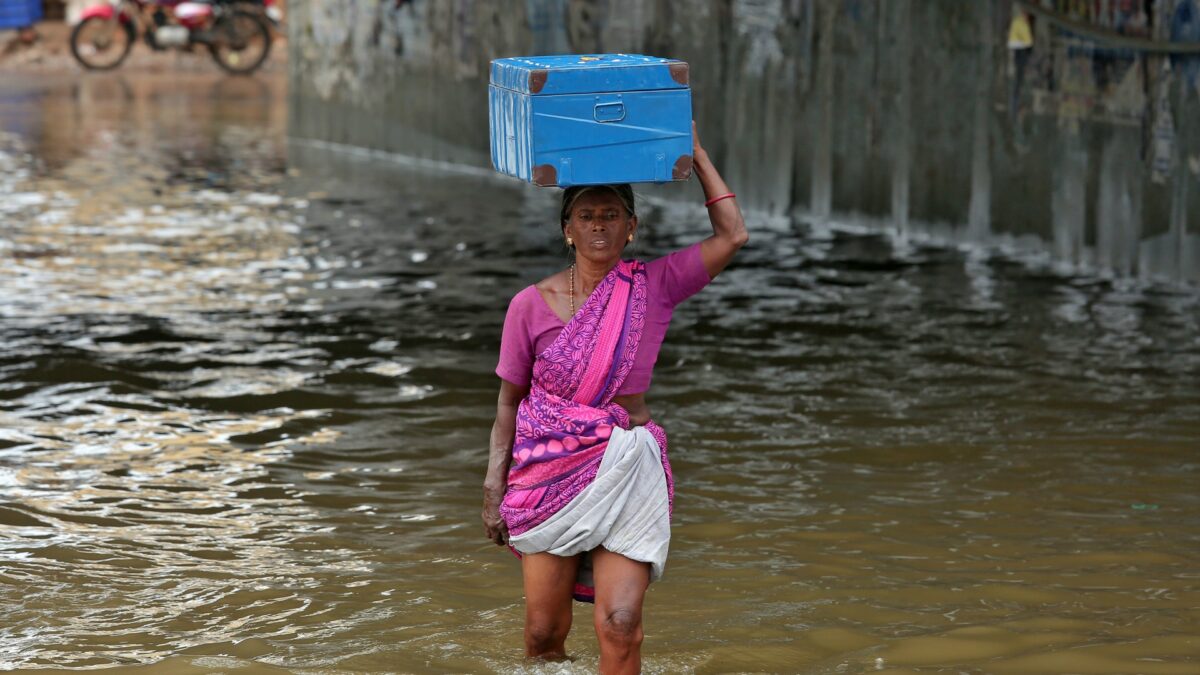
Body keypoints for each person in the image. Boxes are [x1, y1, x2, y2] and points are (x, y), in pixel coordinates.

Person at [482, 123, 748, 673]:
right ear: (567, 230)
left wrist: (696, 154)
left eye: (611, 215)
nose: (599, 225)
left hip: (626, 469)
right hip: (547, 474)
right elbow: (509, 403)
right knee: (542, 633)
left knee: (621, 625)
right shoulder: (528, 306)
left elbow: (732, 237)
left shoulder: (656, 285)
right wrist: (493, 486)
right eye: (586, 216)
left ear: (631, 227)